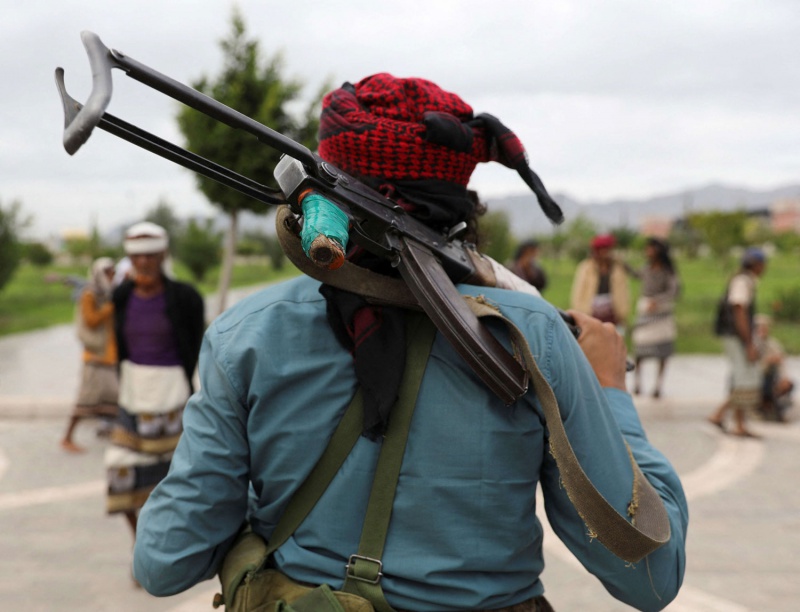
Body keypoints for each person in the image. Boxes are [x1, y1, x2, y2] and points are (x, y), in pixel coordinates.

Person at [133, 74, 687, 611]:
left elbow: (165, 561)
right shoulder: (534, 335)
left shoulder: (246, 336)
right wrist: (611, 393)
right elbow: (651, 577)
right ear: (459, 193)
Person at [105, 222, 205, 551]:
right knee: (120, 470)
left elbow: (196, 347)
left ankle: (170, 548)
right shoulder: (121, 296)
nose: (144, 262)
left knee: (176, 478)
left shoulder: (186, 297)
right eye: (138, 256)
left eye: (151, 255)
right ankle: (141, 545)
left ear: (162, 255)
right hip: (133, 395)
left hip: (172, 395)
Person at [61, 257, 119, 452]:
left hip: (109, 355)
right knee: (86, 399)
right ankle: (67, 438)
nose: (112, 276)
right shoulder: (89, 294)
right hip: (95, 356)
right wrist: (110, 308)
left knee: (115, 397)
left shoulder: (109, 293)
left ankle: (118, 433)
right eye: (108, 273)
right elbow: (91, 320)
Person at [707, 247, 767, 437]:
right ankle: (718, 413)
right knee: (745, 378)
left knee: (740, 377)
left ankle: (739, 423)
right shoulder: (742, 282)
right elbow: (739, 311)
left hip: (736, 335)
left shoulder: (744, 280)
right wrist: (748, 342)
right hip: (736, 336)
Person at [630, 237, 680, 399]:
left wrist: (658, 301)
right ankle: (637, 383)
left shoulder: (668, 272)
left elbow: (674, 291)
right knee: (640, 348)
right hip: (646, 311)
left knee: (662, 350)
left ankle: (658, 385)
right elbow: (635, 274)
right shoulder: (646, 269)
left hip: (661, 313)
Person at [570, 234, 631, 332]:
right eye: (603, 250)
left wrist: (622, 313)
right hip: (591, 313)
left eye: (608, 249)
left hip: (612, 313)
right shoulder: (586, 268)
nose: (606, 253)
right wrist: (580, 312)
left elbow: (623, 292)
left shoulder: (617, 268)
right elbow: (578, 292)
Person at [754, 314, 795, 422]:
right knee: (766, 384)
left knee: (787, 384)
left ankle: (780, 411)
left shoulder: (773, 344)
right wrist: (766, 361)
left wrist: (784, 377)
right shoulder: (752, 345)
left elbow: (781, 362)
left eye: (764, 327)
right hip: (757, 378)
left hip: (772, 377)